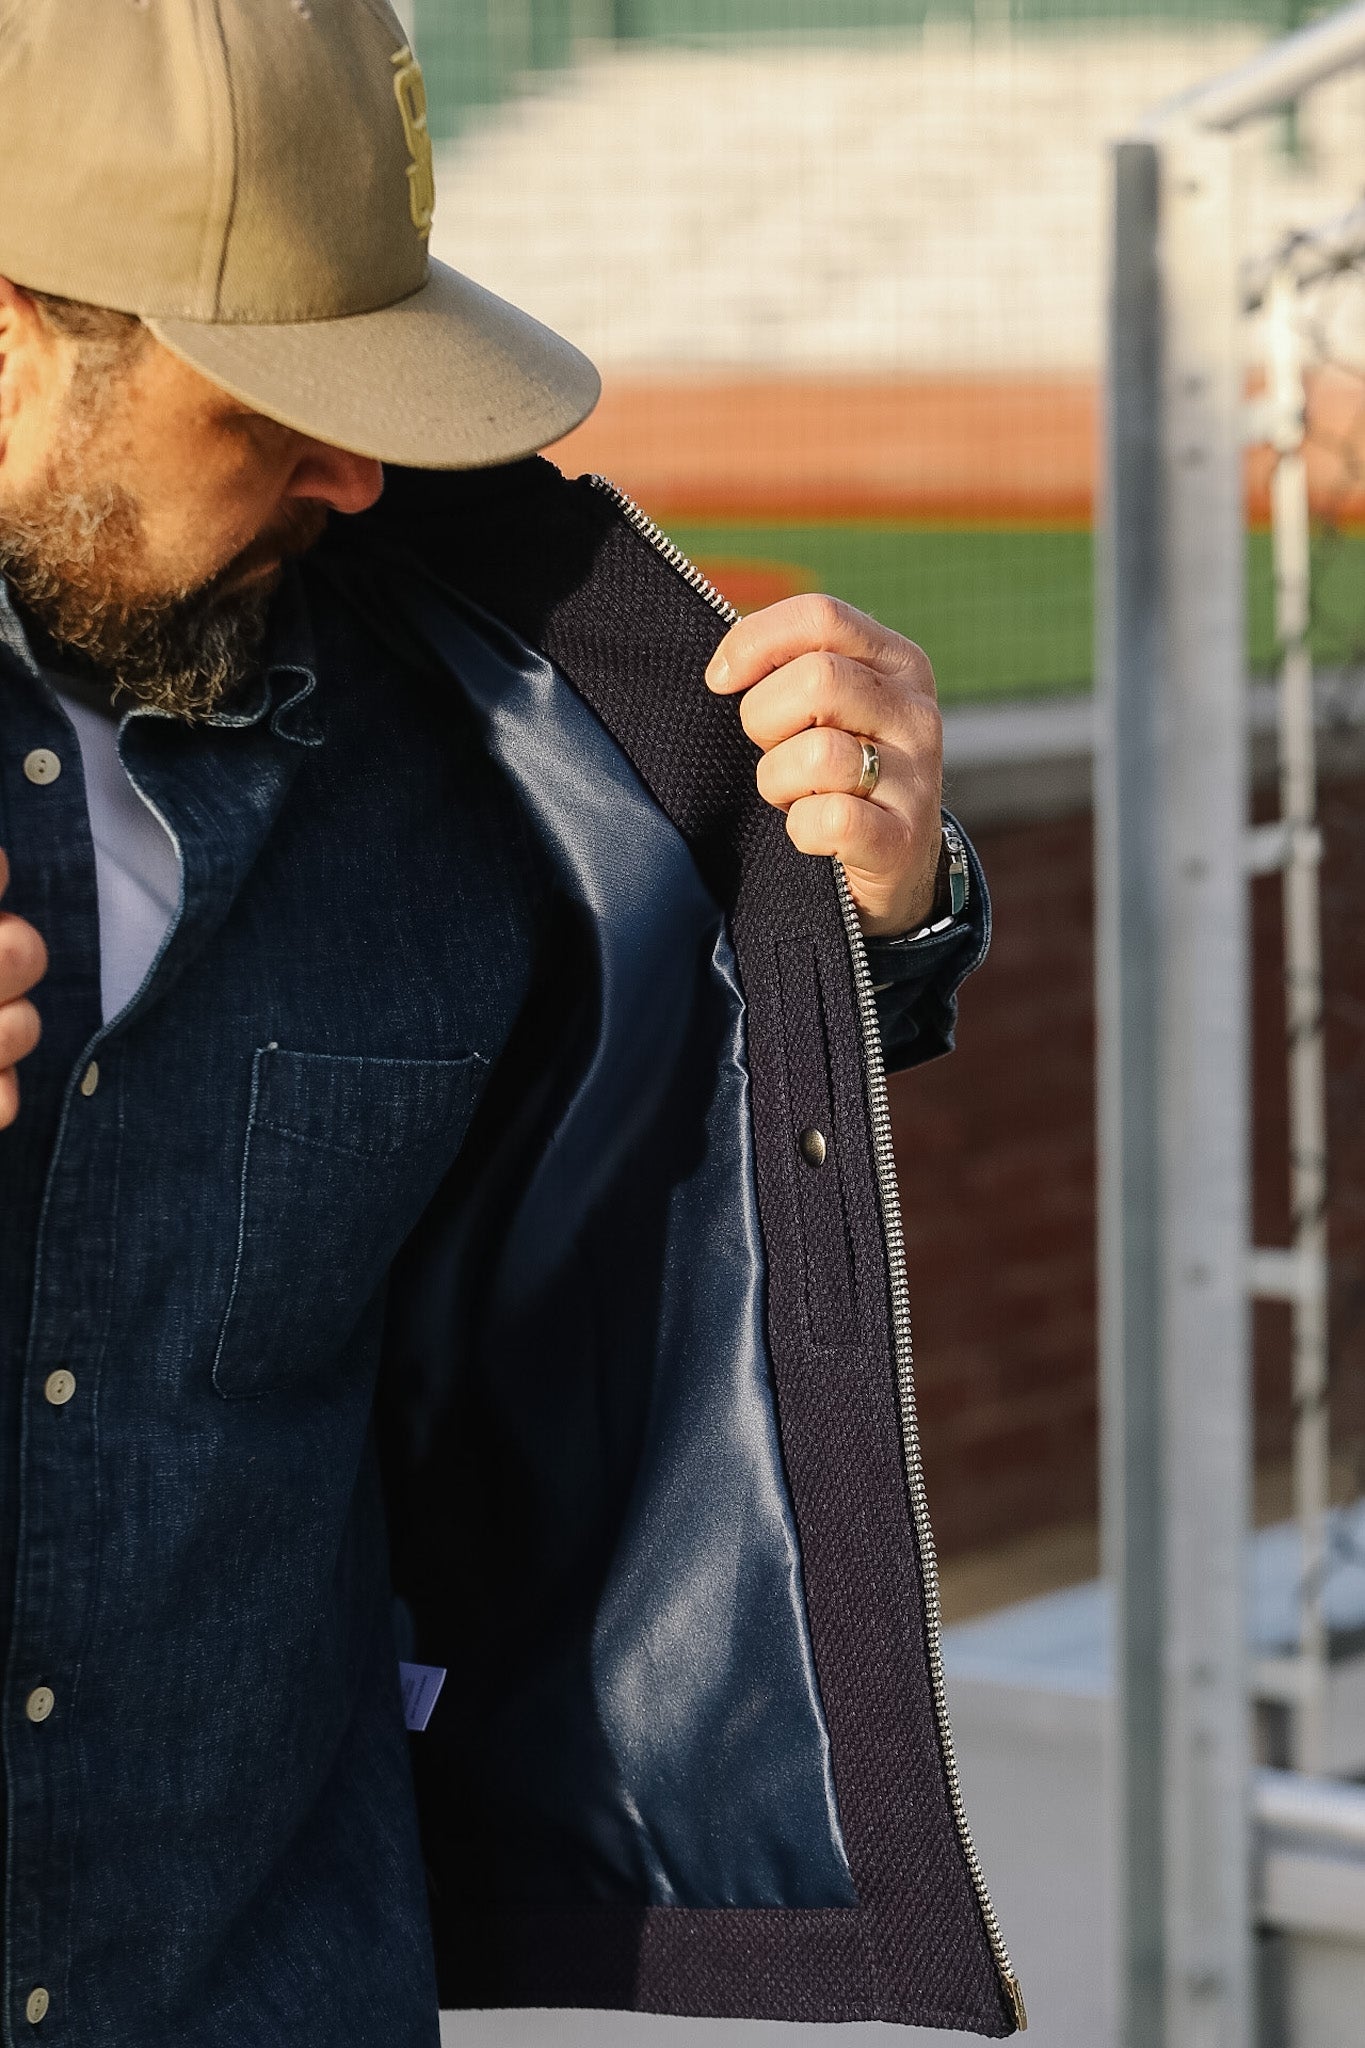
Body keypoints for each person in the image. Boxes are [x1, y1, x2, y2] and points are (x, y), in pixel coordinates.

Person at [0, 2, 1021, 2043]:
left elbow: (670, 1096)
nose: (356, 466)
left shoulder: (475, 721)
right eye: (265, 405)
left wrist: (866, 906)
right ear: (18, 333)